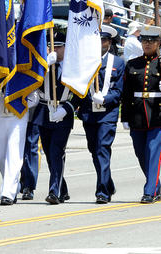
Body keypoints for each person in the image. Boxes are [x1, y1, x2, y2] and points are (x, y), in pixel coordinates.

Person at [121, 25, 161, 203]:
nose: (147, 44)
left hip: (157, 112)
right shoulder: (132, 64)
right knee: (141, 153)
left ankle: (149, 191)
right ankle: (155, 184)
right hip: (137, 113)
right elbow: (127, 93)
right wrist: (125, 117)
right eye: (144, 40)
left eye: (151, 41)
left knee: (153, 152)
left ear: (158, 43)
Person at [76, 25, 124, 204]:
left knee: (102, 149)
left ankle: (102, 191)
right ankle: (108, 182)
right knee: (94, 150)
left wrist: (105, 99)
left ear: (109, 42)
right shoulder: (85, 61)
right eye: (97, 39)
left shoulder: (117, 63)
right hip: (89, 113)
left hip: (107, 114)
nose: (100, 43)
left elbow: (119, 91)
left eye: (103, 40)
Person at [29, 31, 76, 205]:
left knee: (57, 151)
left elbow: (80, 93)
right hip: (43, 111)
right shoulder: (44, 64)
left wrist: (68, 108)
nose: (55, 49)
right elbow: (33, 81)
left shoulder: (73, 67)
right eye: (52, 46)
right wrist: (43, 67)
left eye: (58, 46)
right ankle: (62, 189)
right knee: (49, 153)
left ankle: (53, 191)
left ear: (66, 47)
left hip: (62, 112)